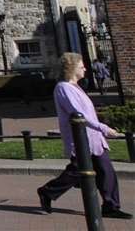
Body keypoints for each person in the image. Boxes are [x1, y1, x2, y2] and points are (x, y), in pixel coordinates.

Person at [40, 51, 131, 218]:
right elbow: (79, 114)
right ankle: (47, 192)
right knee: (76, 172)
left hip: (94, 139)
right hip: (81, 140)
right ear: (72, 68)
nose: (85, 69)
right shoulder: (63, 88)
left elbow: (89, 113)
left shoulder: (76, 87)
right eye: (82, 66)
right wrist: (104, 128)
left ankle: (111, 206)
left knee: (106, 172)